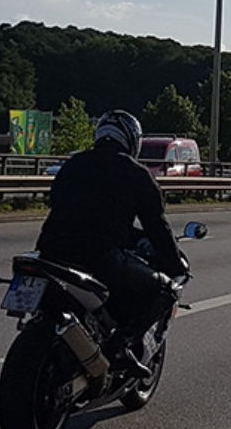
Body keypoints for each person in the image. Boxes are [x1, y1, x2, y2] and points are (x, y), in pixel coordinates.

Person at [34, 109, 185, 381]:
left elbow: (72, 211)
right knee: (163, 290)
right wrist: (174, 265)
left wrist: (132, 237)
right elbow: (157, 227)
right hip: (99, 257)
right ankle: (119, 349)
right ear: (132, 140)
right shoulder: (136, 174)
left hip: (49, 252)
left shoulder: (73, 165)